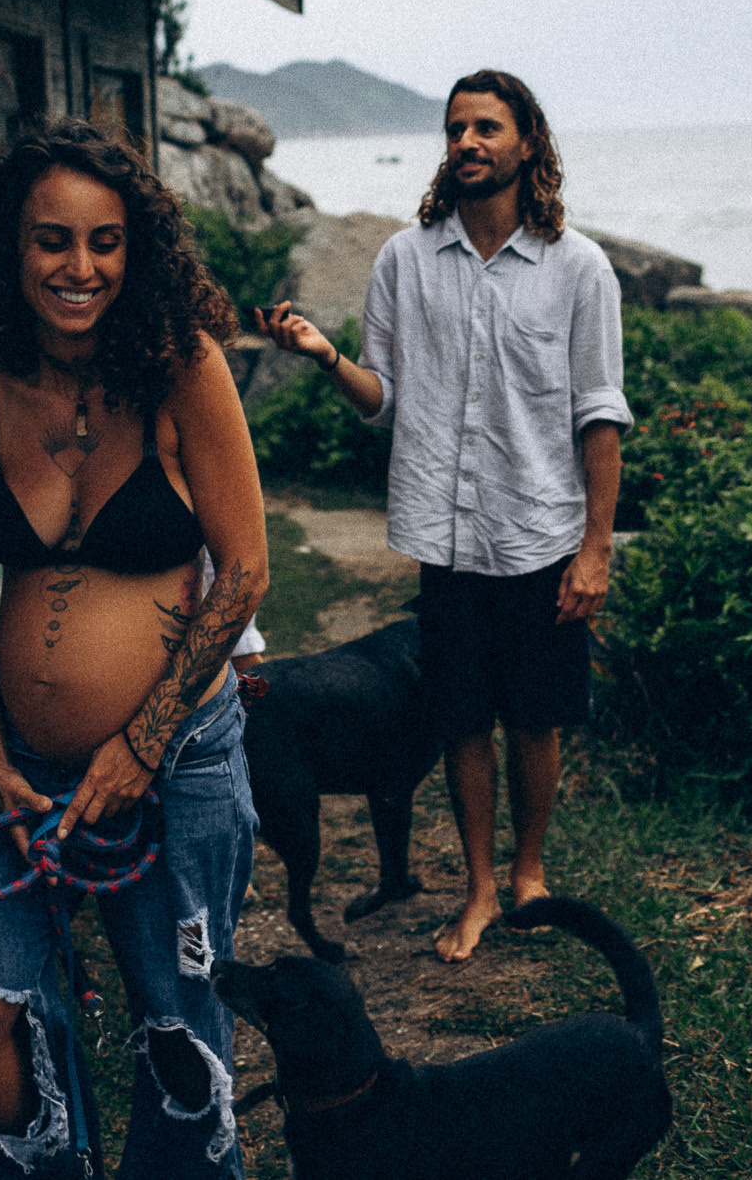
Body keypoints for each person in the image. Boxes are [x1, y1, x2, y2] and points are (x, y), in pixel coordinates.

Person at [0, 119, 268, 1178]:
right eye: (51, 241)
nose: (80, 268)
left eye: (105, 242)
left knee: (172, 1033)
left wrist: (138, 744)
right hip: (17, 774)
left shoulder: (181, 371)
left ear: (136, 250)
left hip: (174, 765)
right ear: (9, 253)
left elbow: (243, 572)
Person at [254, 69, 631, 964]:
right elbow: (379, 397)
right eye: (456, 128)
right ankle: (480, 889)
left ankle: (530, 873)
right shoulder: (403, 259)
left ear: (527, 143)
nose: (467, 141)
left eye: (487, 128)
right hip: (450, 538)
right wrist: (323, 354)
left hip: (540, 532)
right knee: (461, 718)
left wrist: (595, 549)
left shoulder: (579, 267)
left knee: (533, 717)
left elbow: (601, 414)